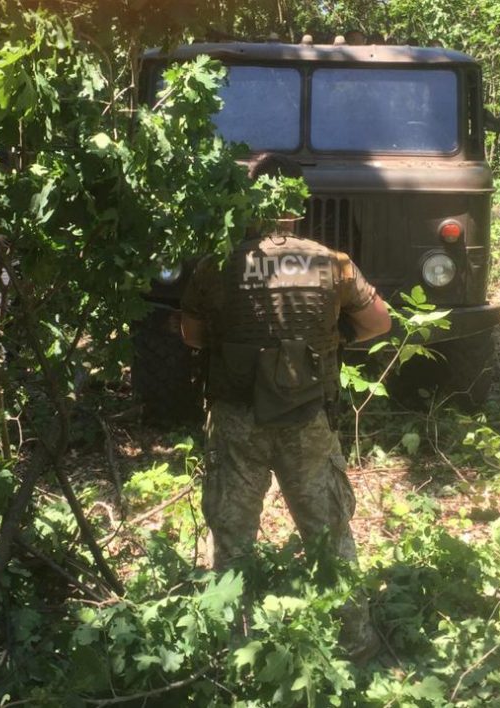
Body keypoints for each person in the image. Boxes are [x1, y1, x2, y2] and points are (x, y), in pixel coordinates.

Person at [180, 153, 391, 662]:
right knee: (329, 534)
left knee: (232, 539)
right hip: (304, 420)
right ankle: (354, 644)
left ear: (251, 199)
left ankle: (232, 652)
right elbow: (379, 323)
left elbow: (191, 336)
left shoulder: (219, 262)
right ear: (298, 202)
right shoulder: (331, 262)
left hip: (236, 419)